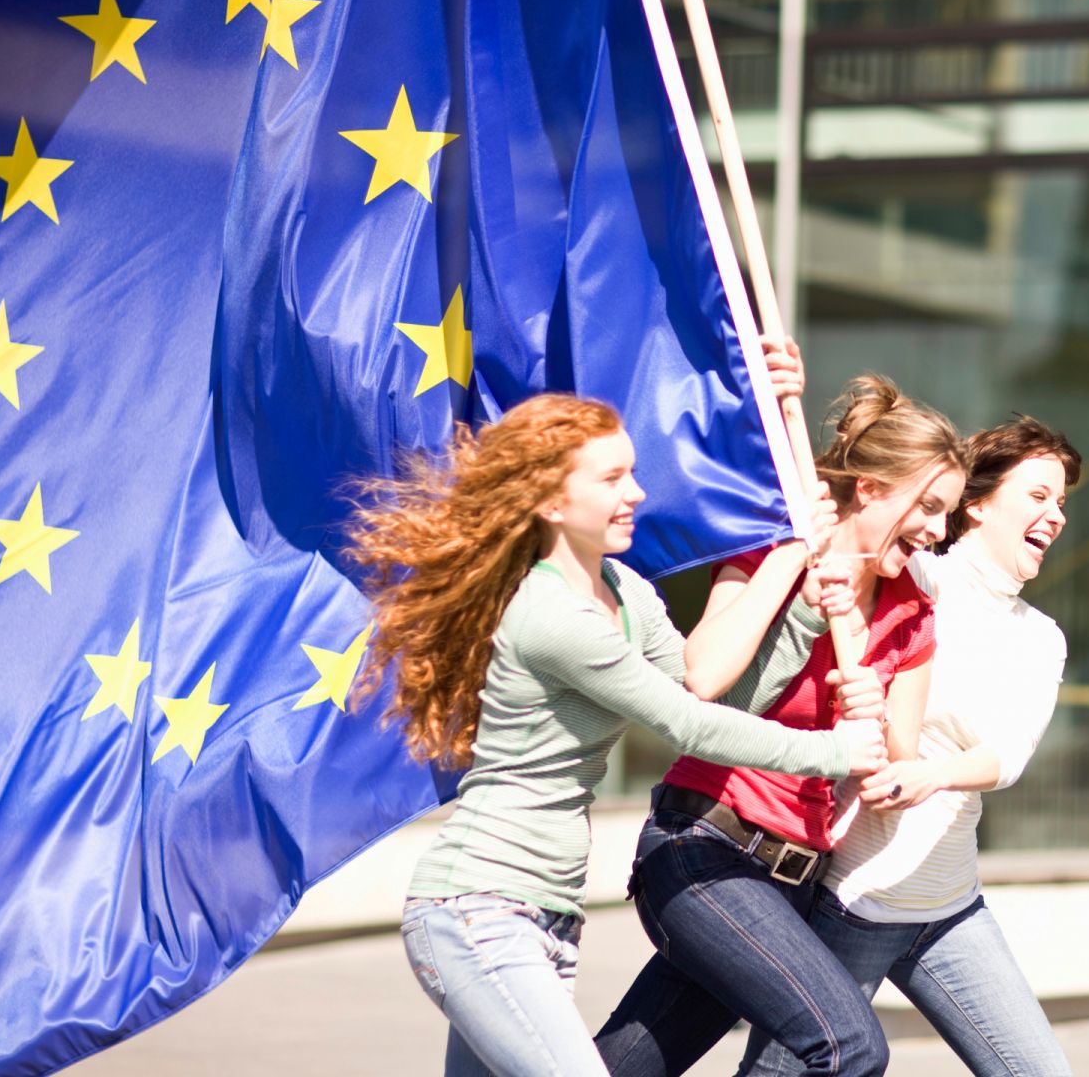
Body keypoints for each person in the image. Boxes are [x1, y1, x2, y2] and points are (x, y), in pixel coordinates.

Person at [344, 344, 891, 1077]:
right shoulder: (550, 613)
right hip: (479, 911)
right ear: (549, 500)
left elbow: (713, 695)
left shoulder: (626, 593)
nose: (635, 491)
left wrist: (801, 619)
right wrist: (836, 748)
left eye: (632, 471)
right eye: (611, 477)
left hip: (544, 919)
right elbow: (689, 727)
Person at [594, 374, 968, 1077]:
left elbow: (895, 771)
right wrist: (798, 572)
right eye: (929, 506)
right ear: (871, 489)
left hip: (795, 884)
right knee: (848, 1047)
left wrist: (875, 715)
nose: (936, 533)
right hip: (705, 849)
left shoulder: (910, 614)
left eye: (947, 516)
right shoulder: (768, 552)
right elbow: (703, 689)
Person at [736, 415, 1081, 1077]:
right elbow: (850, 521)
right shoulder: (916, 575)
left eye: (1062, 502)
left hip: (951, 907)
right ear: (975, 504)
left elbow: (1009, 756)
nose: (1056, 515)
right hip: (855, 902)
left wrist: (931, 776)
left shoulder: (1042, 637)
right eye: (1038, 495)